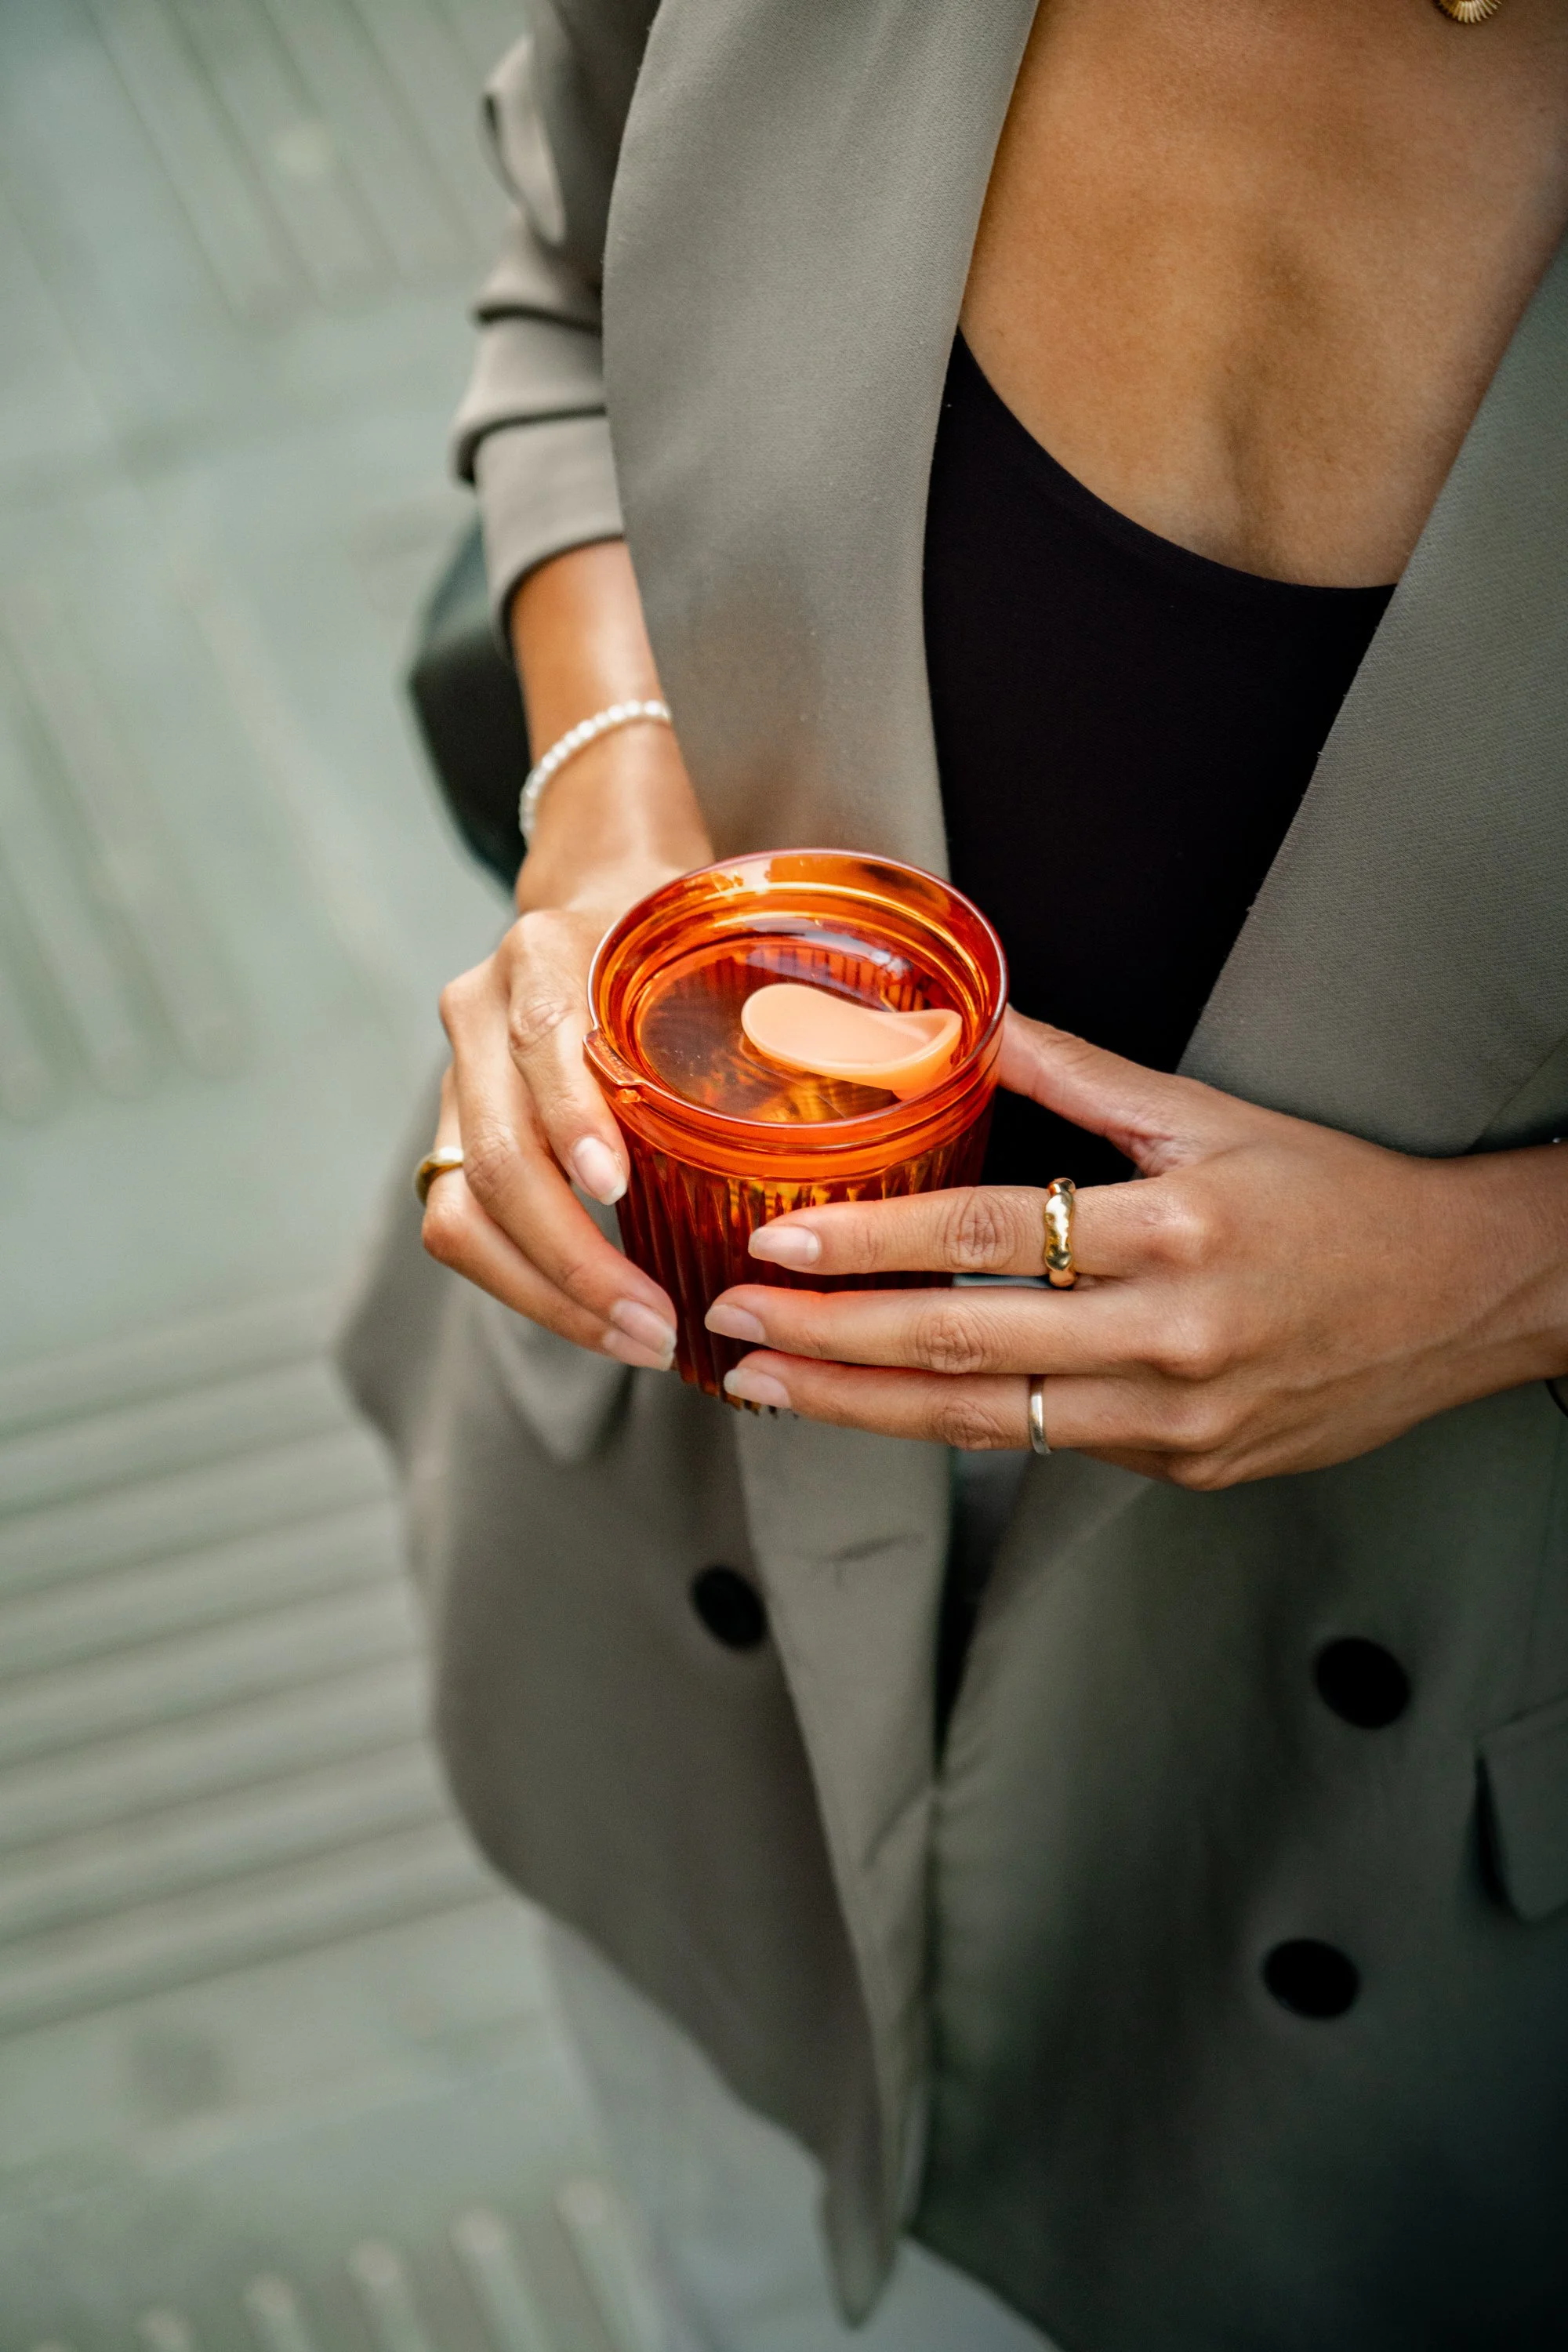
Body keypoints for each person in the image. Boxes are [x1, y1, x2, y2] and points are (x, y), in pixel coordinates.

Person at [340, 4, 1568, 2347]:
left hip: (1389, 1841)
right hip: (674, 1575)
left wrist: (1511, 1282)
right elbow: (566, 246)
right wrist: (603, 784)